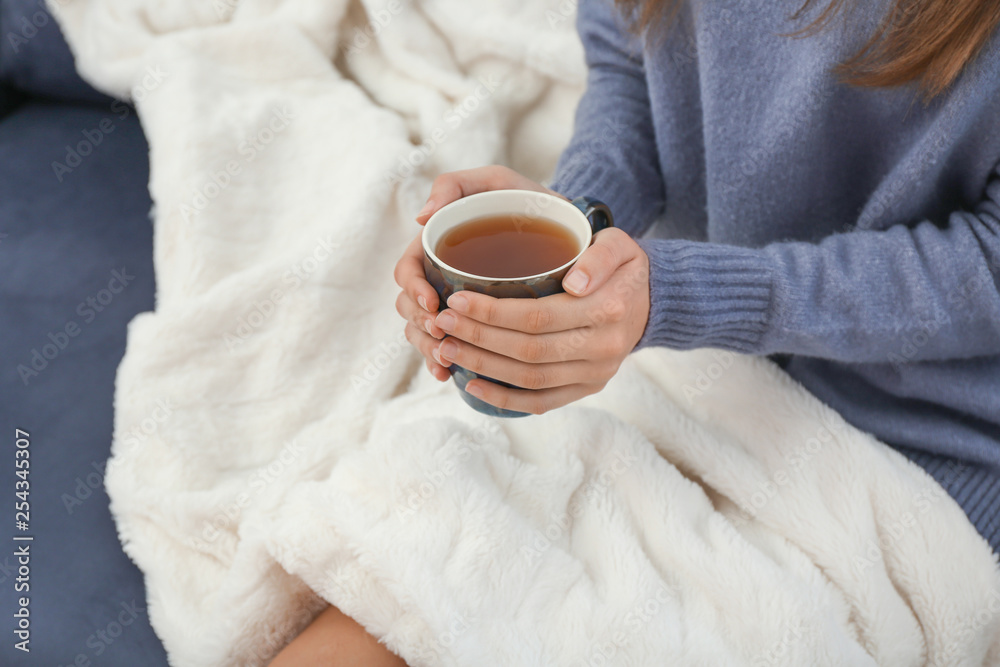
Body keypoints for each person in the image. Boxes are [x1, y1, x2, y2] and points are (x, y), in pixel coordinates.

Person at [277, 0, 1000, 662]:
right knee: (406, 560)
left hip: (916, 446)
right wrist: (572, 227)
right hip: (686, 358)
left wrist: (688, 293)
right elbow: (633, 53)